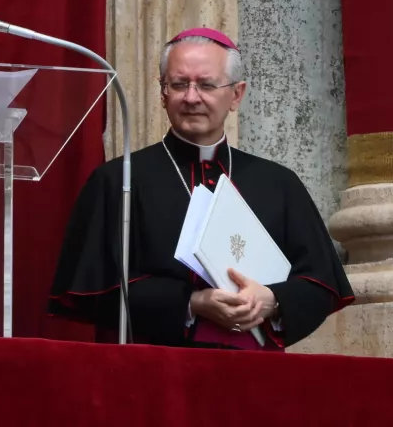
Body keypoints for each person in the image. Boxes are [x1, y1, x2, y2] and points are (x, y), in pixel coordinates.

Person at [48, 27, 354, 349]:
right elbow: (96, 291)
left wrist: (272, 300)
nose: (191, 97)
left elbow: (320, 283)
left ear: (236, 94)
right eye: (179, 84)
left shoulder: (279, 183)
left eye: (206, 85)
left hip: (255, 375)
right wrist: (192, 303)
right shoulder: (119, 180)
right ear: (163, 92)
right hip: (153, 373)